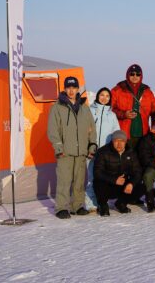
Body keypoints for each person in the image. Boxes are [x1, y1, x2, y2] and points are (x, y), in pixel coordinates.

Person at [47, 76, 97, 219]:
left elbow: (91, 129)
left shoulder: (84, 108)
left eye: (73, 88)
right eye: (68, 88)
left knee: (79, 181)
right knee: (64, 181)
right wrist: (58, 148)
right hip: (65, 152)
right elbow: (53, 130)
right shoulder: (57, 108)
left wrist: (91, 145)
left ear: (77, 89)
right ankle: (61, 208)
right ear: (64, 89)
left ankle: (78, 206)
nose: (71, 91)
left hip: (81, 151)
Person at [85, 87, 120, 212]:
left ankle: (101, 201)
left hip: (105, 152)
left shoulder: (112, 115)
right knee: (91, 177)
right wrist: (88, 146)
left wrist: (113, 149)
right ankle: (90, 203)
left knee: (102, 177)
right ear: (97, 96)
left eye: (107, 96)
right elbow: (84, 131)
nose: (104, 98)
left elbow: (116, 133)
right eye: (102, 95)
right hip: (91, 150)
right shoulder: (89, 111)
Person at [93, 130, 143, 216]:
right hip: (108, 184)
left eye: (122, 141)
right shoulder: (103, 152)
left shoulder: (131, 152)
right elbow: (97, 172)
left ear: (126, 141)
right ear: (112, 141)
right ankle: (103, 205)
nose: (119, 144)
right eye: (116, 141)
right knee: (98, 182)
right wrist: (114, 179)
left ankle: (121, 203)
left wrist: (131, 183)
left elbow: (137, 171)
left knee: (141, 186)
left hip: (122, 184)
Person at [111, 64, 155, 148]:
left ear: (141, 76)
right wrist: (124, 114)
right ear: (127, 75)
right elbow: (110, 109)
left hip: (143, 134)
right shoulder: (118, 90)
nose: (135, 76)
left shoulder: (147, 92)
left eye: (138, 74)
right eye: (132, 74)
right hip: (124, 135)